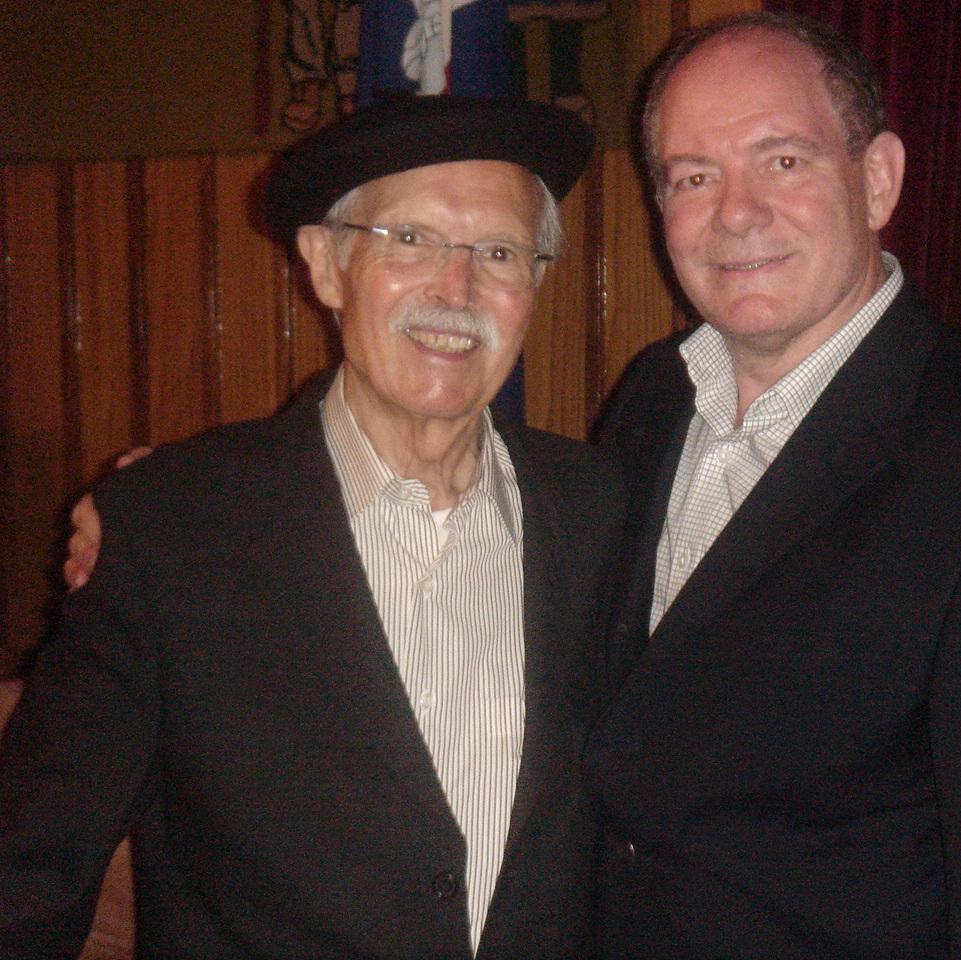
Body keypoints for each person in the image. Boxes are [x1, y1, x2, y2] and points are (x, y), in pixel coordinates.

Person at [584, 12, 961, 959]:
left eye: (782, 161)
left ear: (879, 179)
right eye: (694, 177)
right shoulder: (652, 400)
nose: (736, 213)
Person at [0, 95, 622, 960]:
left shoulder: (605, 513)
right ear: (327, 267)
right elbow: (30, 871)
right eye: (411, 239)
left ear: (535, 286)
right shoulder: (169, 532)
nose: (457, 289)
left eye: (499, 252)